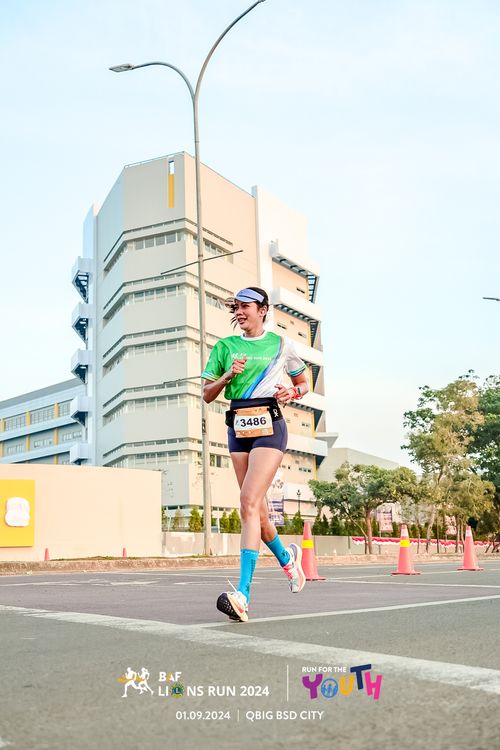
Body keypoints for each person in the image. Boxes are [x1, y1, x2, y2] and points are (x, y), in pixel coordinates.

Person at [202, 286, 310, 622]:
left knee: (248, 502)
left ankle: (243, 596)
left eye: (245, 306)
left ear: (263, 310)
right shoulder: (224, 347)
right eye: (236, 307)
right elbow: (206, 394)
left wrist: (291, 392)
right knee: (258, 513)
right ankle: (288, 561)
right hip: (238, 427)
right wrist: (227, 375)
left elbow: (304, 383)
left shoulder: (281, 344)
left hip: (269, 425)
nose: (239, 312)